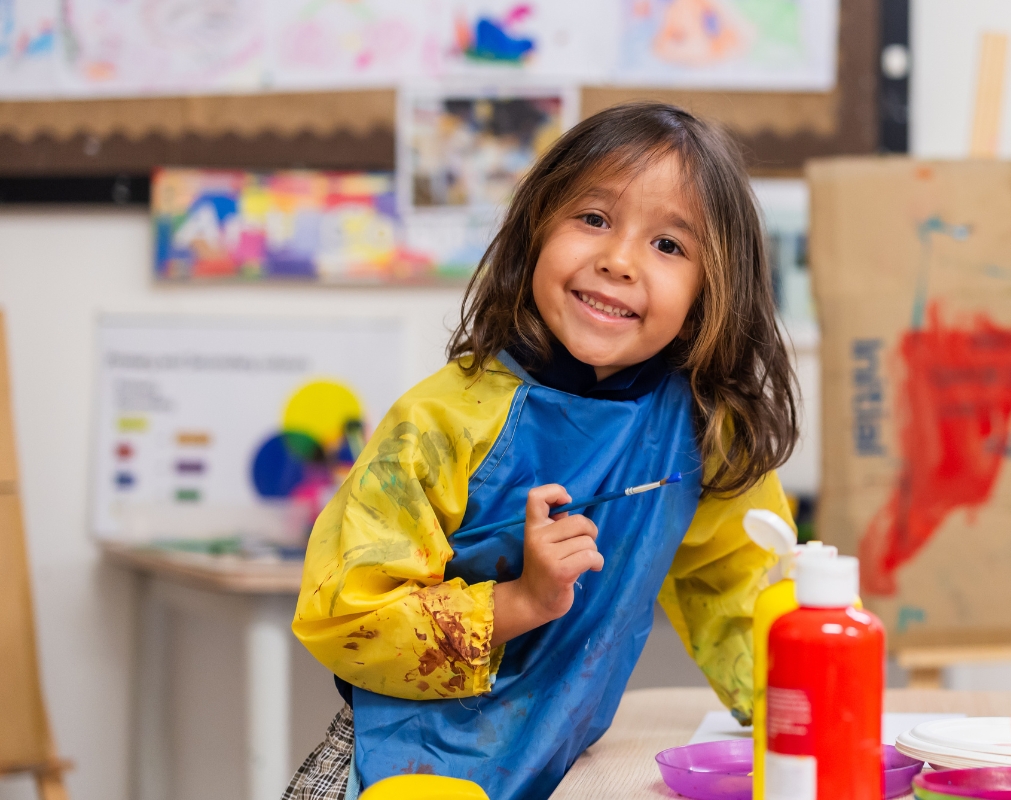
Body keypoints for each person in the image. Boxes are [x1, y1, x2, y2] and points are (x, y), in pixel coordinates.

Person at [283, 102, 799, 800]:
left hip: (553, 770)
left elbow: (738, 592)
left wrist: (802, 710)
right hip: (399, 773)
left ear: (714, 291)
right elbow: (343, 617)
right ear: (535, 231)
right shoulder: (440, 422)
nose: (618, 261)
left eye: (669, 245)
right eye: (594, 219)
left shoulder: (707, 430)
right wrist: (520, 601)